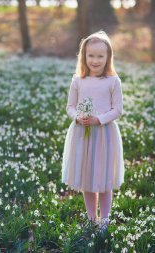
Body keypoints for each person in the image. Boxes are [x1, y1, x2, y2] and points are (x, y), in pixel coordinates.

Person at [61, 30, 125, 232]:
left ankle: (104, 221)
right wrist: (77, 117)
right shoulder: (78, 80)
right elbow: (70, 106)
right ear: (84, 56)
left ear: (108, 58)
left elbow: (118, 109)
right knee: (88, 179)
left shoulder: (113, 81)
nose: (95, 60)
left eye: (100, 56)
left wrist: (100, 119)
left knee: (104, 179)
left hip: (105, 135)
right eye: (91, 55)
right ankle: (91, 219)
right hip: (82, 134)